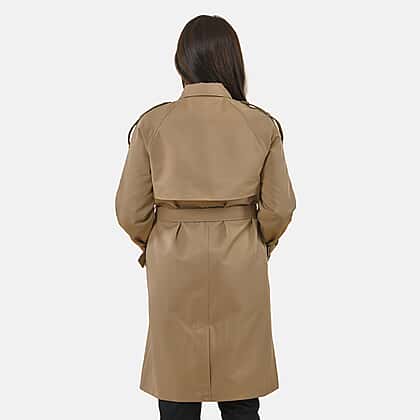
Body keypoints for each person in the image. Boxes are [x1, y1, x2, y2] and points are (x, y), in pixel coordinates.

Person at [116, 14, 296, 420]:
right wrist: (260, 242)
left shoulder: (151, 124)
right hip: (241, 258)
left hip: (172, 261)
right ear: (233, 61)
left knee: (177, 389)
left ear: (182, 62)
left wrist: (156, 242)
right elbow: (280, 207)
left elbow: (130, 210)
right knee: (241, 390)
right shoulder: (261, 124)